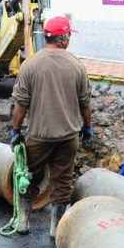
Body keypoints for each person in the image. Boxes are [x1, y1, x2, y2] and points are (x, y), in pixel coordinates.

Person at [9, 15, 92, 236]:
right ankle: (56, 228)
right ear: (63, 38)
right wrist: (87, 127)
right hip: (68, 137)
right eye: (68, 36)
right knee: (62, 181)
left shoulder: (30, 65)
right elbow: (85, 103)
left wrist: (15, 129)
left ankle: (23, 221)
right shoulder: (76, 65)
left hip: (39, 136)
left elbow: (21, 104)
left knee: (28, 177)